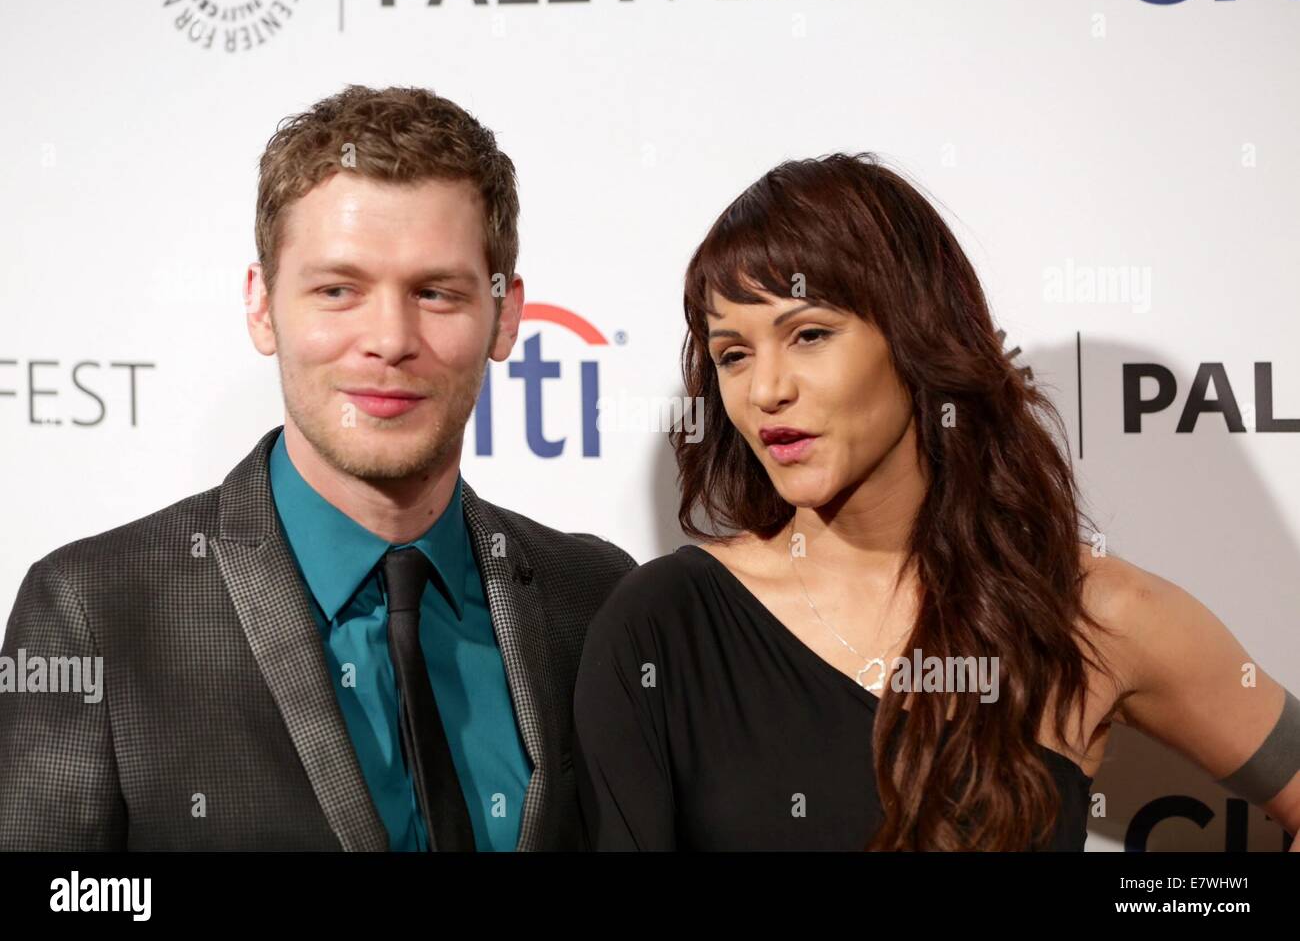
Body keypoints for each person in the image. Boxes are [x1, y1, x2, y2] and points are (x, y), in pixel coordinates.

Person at [572, 152, 1300, 851]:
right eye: (734, 354)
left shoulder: (1089, 612)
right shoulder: (666, 627)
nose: (766, 391)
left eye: (810, 335)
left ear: (917, 333)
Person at [0, 85, 635, 851]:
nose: (390, 339)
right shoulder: (95, 613)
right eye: (339, 290)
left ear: (505, 316)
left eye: (436, 293)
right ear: (263, 308)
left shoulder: (594, 598)